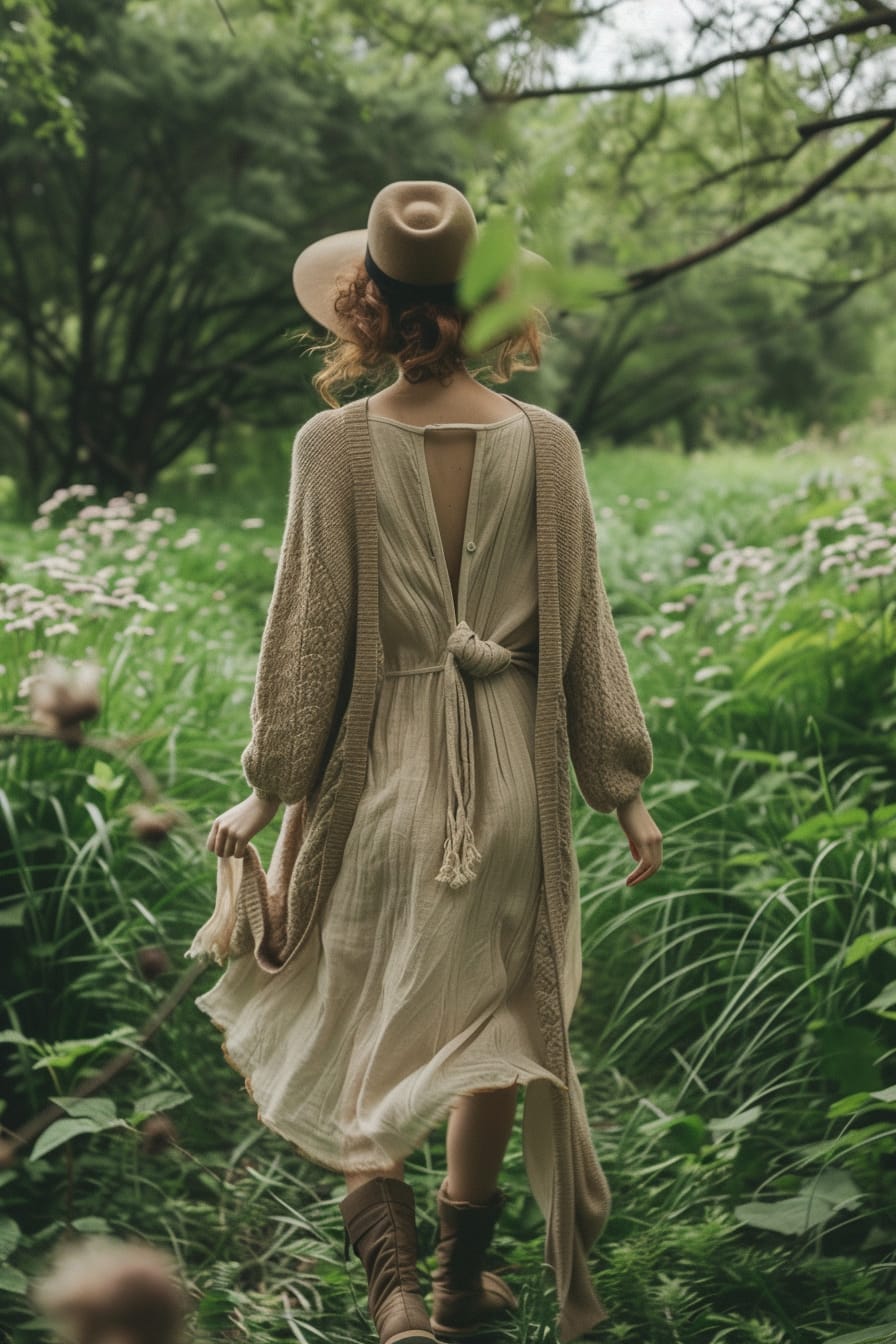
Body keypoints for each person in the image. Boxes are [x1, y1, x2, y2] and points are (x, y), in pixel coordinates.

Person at [188, 180, 663, 1344]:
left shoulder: (333, 447)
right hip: (508, 781)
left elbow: (305, 642)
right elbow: (584, 634)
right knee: (499, 1028)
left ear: (362, 303)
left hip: (378, 780)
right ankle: (458, 1283)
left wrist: (268, 785)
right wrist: (621, 790)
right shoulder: (547, 447)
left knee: (368, 1017)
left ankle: (392, 1290)